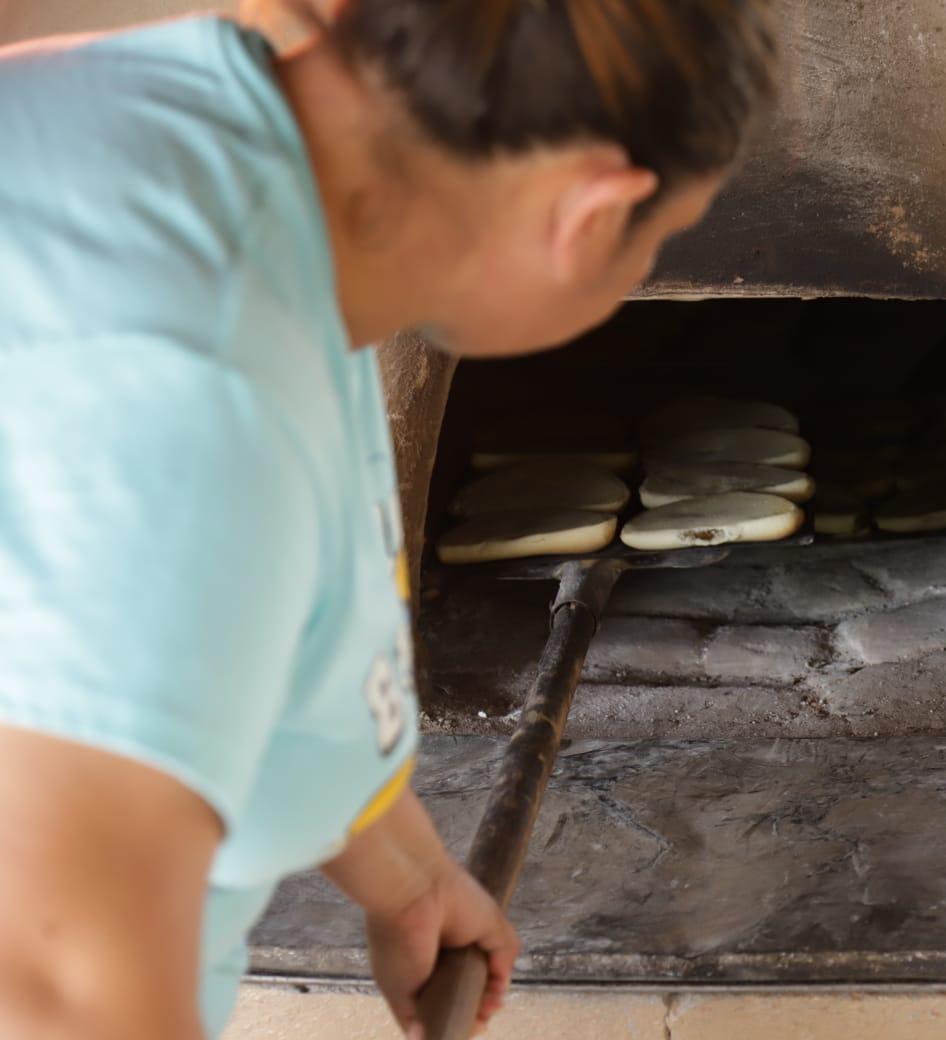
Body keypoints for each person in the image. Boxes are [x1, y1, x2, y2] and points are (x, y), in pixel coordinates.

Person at [0, 1, 777, 1036]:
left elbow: (246, 631)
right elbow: (54, 985)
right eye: (661, 238)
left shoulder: (256, 161)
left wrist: (406, 876)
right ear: (592, 211)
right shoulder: (192, 387)